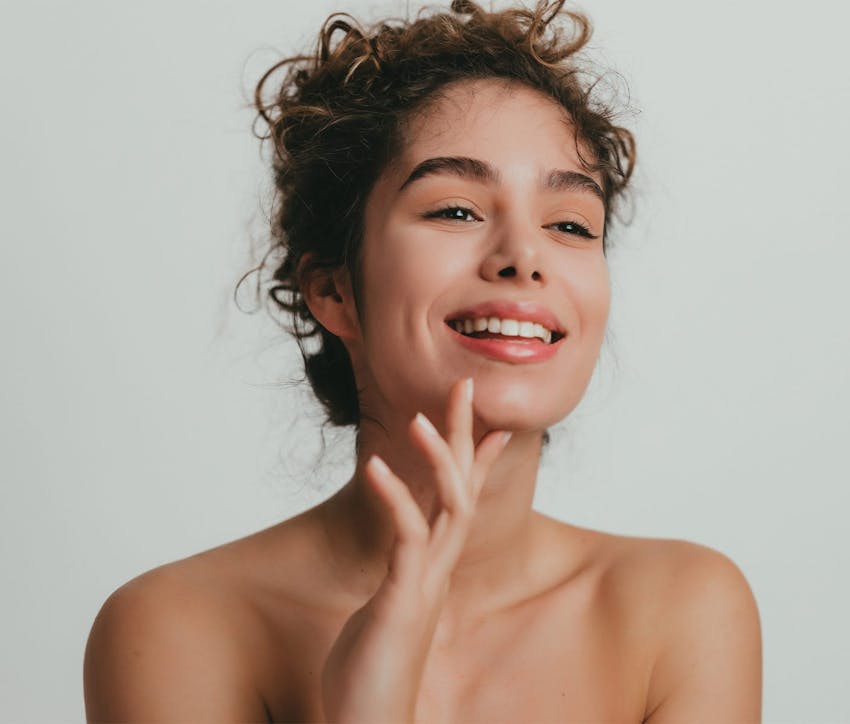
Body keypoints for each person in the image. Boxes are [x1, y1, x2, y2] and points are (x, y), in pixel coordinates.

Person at [83, 0, 762, 721]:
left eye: (570, 224)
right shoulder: (175, 627)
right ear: (334, 289)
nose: (524, 258)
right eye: (457, 210)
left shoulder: (683, 612)